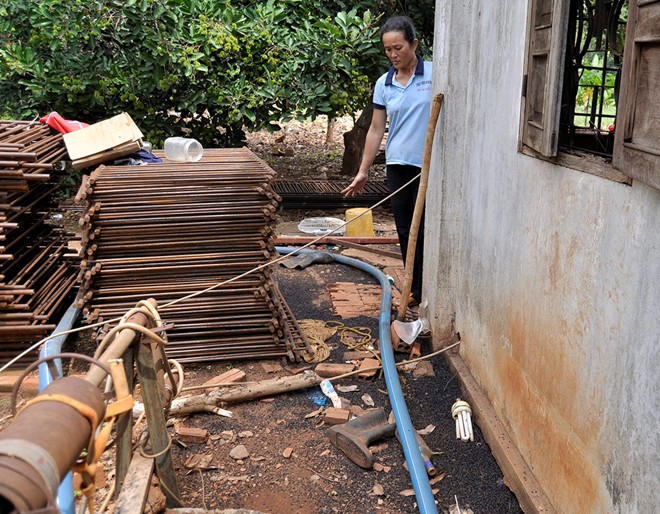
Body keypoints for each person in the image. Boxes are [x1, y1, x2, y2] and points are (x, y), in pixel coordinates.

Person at [342, 15, 432, 305]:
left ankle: (431, 284)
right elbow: (376, 128)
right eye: (388, 50)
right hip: (398, 163)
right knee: (406, 228)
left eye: (399, 48)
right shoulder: (384, 83)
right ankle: (415, 289)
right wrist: (363, 170)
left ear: (414, 44)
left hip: (429, 164)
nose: (393, 55)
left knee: (430, 226)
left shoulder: (434, 74)